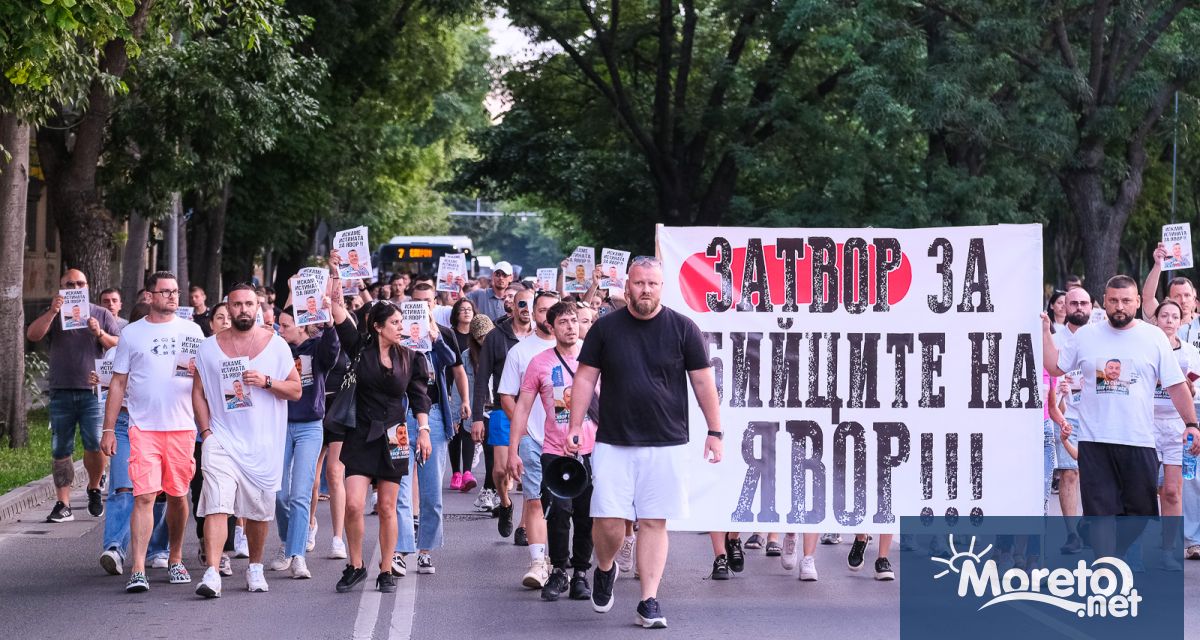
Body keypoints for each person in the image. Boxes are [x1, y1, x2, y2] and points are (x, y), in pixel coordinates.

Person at [566, 256, 723, 629]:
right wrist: (575, 425)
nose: (645, 290)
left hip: (666, 442)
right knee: (608, 521)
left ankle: (649, 599)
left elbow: (703, 383)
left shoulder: (684, 328)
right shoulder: (605, 329)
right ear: (627, 287)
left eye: (652, 284)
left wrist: (715, 432)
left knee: (654, 522)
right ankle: (604, 567)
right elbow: (585, 379)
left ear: (662, 288)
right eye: (639, 283)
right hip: (613, 441)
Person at [1043, 275, 1200, 557]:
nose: (1119, 306)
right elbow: (1055, 367)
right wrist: (1044, 332)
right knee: (1101, 510)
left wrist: (1191, 423)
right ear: (1104, 301)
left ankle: (1109, 548)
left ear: (1138, 302)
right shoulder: (1087, 335)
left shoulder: (1153, 337)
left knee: (1140, 511)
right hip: (1095, 441)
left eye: (1126, 300)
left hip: (1139, 440)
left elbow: (1176, 385)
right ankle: (1106, 566)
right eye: (1113, 300)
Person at [191, 284, 302, 598]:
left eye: (248, 304)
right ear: (228, 307)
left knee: (257, 512)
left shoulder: (277, 346)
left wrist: (266, 382)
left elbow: (296, 390)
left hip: (262, 443)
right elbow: (197, 392)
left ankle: (255, 566)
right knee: (216, 502)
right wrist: (205, 432)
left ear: (259, 307)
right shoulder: (208, 347)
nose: (243, 310)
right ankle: (212, 572)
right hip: (220, 439)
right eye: (237, 304)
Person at [101, 271, 205, 593]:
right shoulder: (132, 333)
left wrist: (208, 426)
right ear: (149, 295)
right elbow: (118, 382)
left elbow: (205, 381)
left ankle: (175, 559)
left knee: (177, 495)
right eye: (165, 292)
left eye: (175, 292)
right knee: (144, 495)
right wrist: (107, 428)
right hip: (143, 426)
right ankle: (137, 568)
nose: (172, 297)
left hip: (182, 426)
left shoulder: (193, 331)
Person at [332, 298, 431, 594]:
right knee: (353, 504)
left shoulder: (411, 358)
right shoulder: (360, 348)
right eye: (395, 323)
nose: (401, 328)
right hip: (361, 433)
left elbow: (419, 397)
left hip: (395, 435)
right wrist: (335, 277)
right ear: (377, 327)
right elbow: (336, 310)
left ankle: (386, 569)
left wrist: (423, 431)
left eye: (402, 322)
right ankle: (356, 565)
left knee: (388, 508)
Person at [509, 301, 598, 601]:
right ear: (551, 326)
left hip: (592, 449)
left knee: (586, 516)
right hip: (555, 450)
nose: (571, 326)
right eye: (563, 322)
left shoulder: (594, 356)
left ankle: (581, 574)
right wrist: (513, 451)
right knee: (559, 512)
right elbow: (522, 408)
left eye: (574, 320)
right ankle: (559, 570)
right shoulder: (540, 362)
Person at [26, 269, 120, 523]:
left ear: (87, 286)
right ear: (61, 287)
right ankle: (63, 503)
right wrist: (53, 311)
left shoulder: (100, 313)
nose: (75, 287)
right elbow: (33, 335)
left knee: (94, 444)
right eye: (70, 284)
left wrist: (99, 333)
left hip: (92, 391)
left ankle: (93, 487)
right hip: (61, 390)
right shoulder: (54, 313)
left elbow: (120, 345)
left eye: (80, 283)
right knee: (61, 447)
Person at [392, 282, 469, 576]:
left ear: (435, 303)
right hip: (400, 415)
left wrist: (435, 340)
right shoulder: (397, 332)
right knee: (399, 487)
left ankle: (425, 550)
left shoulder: (443, 333)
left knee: (431, 491)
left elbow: (455, 365)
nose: (421, 306)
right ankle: (400, 549)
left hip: (434, 416)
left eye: (426, 301)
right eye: (416, 301)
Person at [95, 302, 171, 578]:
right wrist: (109, 429)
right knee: (124, 488)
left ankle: (158, 549)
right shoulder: (118, 351)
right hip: (126, 423)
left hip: (159, 423)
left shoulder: (171, 349)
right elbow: (111, 387)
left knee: (158, 490)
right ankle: (115, 548)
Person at [269, 299, 341, 579]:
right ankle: (288, 541)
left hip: (310, 425)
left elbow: (332, 353)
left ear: (301, 326)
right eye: (279, 325)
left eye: (286, 325)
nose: (281, 329)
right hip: (280, 424)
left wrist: (330, 322)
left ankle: (297, 554)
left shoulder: (318, 344)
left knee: (300, 493)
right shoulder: (277, 347)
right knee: (279, 492)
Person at [500, 290, 560, 588]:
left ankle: (562, 564)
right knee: (535, 500)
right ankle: (538, 562)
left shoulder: (580, 350)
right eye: (542, 310)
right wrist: (521, 432)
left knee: (566, 507)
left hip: (570, 442)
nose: (548, 316)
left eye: (553, 310)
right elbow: (507, 396)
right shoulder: (521, 352)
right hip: (534, 439)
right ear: (534, 314)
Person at [472, 288, 536, 538]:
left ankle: (523, 525)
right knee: (500, 471)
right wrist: (477, 416)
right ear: (512, 306)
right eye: (522, 304)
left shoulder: (542, 335)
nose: (526, 309)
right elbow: (482, 378)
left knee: (530, 471)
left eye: (531, 305)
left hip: (534, 412)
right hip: (502, 409)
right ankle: (506, 503)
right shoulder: (497, 337)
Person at [1147, 300, 1200, 568]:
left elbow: (1195, 391)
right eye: (1164, 315)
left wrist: (1187, 388)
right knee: (1141, 491)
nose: (1169, 320)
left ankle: (1168, 551)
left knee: (1172, 492)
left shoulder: (1190, 353)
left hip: (1177, 428)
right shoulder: (1145, 347)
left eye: (1174, 316)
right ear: (1154, 319)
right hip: (1145, 425)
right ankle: (1135, 549)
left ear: (1182, 321)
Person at [1050, 286, 1091, 553]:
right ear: (1063, 306)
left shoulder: (1101, 337)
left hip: (1097, 416)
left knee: (1096, 475)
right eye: (1072, 303)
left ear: (1091, 306)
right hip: (1067, 414)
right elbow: (1047, 377)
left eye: (1083, 303)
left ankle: (1091, 527)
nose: (1077, 307)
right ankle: (1072, 533)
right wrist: (1059, 391)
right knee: (1069, 472)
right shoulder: (1055, 340)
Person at [467, 314, 500, 512]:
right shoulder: (468, 356)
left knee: (500, 458)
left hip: (500, 406)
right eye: (480, 338)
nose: (484, 341)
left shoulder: (502, 349)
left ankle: (495, 492)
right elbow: (467, 387)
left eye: (487, 335)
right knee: (490, 453)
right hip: (483, 409)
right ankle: (489, 490)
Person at [448, 299, 478, 493]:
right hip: (452, 385)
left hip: (473, 386)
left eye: (469, 309)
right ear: (456, 314)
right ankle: (456, 473)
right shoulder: (449, 335)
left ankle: (467, 471)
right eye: (462, 309)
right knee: (454, 430)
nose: (466, 312)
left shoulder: (477, 335)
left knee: (468, 427)